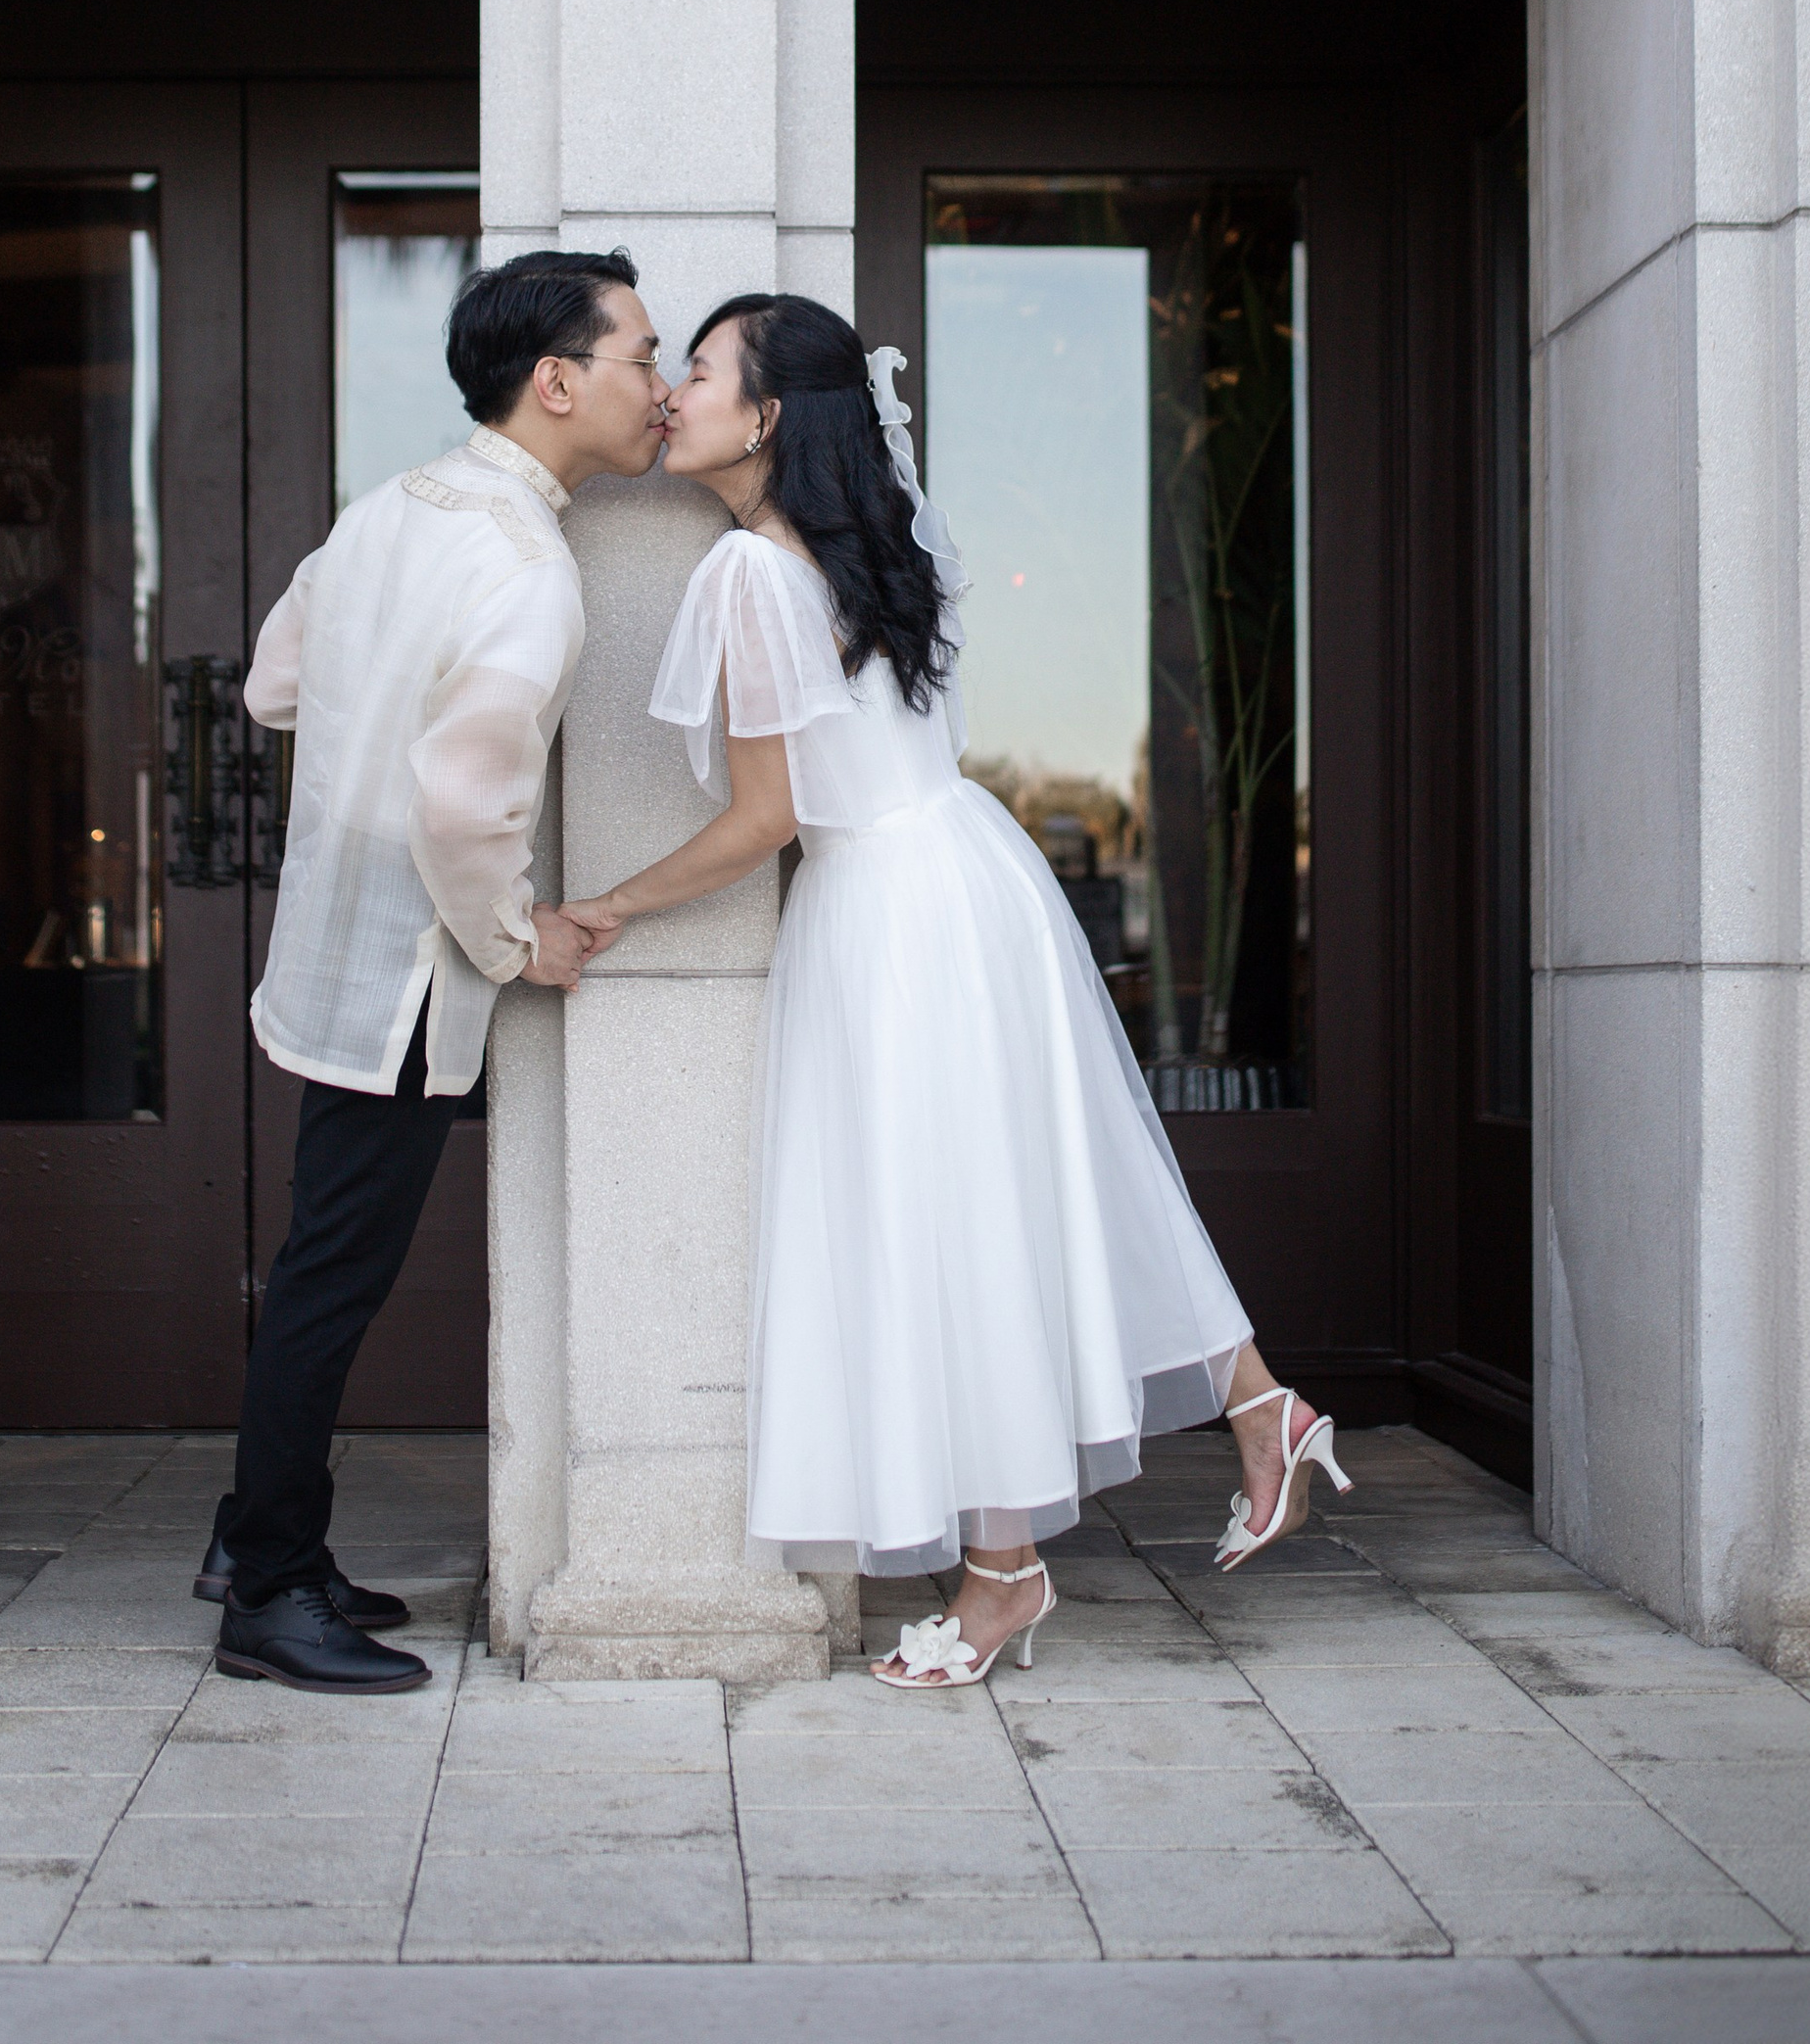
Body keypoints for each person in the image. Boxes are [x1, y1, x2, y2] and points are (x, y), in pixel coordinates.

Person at [570, 291, 1350, 1690]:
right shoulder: (877, 551)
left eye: (700, 371)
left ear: (768, 415)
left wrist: (612, 903)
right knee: (1035, 1194)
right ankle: (1249, 1408)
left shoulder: (753, 573)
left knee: (957, 1223)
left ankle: (1013, 1565)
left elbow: (764, 822)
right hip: (975, 874)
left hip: (888, 912)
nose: (675, 394)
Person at [195, 249, 663, 1692]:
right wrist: (522, 936)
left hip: (332, 954)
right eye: (641, 356)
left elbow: (278, 681)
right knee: (332, 1278)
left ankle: (261, 1540)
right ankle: (266, 1586)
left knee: (317, 1264)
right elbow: (465, 808)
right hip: (403, 975)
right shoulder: (529, 565)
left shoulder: (394, 506)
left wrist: (376, 690)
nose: (658, 386)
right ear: (558, 379)